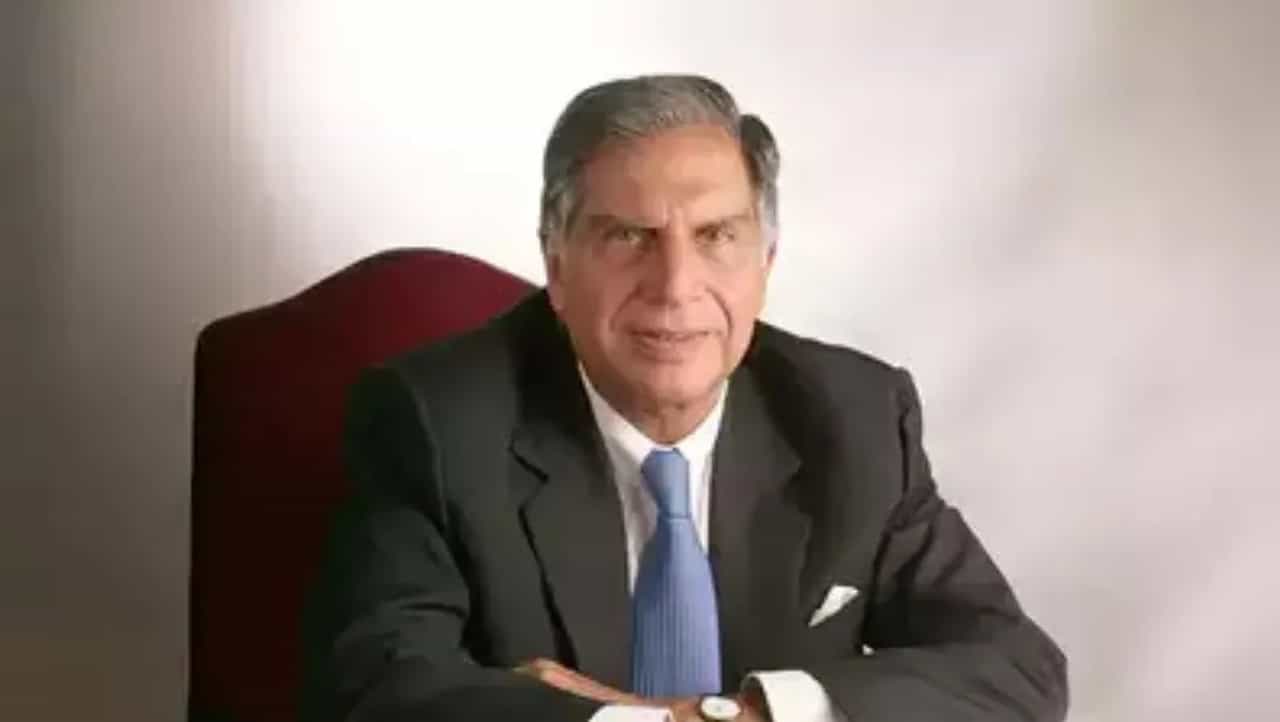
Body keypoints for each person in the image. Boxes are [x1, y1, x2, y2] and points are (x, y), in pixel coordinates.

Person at [301, 74, 1068, 722]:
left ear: (765, 260)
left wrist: (739, 716)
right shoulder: (435, 423)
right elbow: (375, 689)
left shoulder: (857, 417)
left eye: (716, 236)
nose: (675, 287)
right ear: (556, 264)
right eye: (628, 237)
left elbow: (1017, 669)